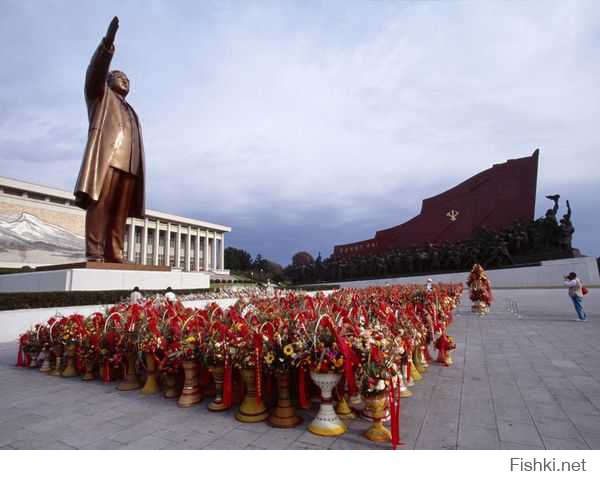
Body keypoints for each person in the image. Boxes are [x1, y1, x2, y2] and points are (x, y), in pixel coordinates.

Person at [74, 17, 145, 262]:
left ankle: (115, 252)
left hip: (129, 165)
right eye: (119, 75)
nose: (125, 79)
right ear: (108, 80)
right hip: (107, 159)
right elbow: (95, 72)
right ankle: (94, 251)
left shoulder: (132, 110)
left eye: (128, 78)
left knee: (120, 212)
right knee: (100, 204)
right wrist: (107, 44)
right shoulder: (100, 96)